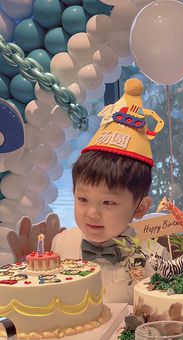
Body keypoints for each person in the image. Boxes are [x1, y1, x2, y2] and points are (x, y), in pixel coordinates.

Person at [52, 78, 165, 304]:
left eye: (108, 203)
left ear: (140, 208)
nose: (92, 213)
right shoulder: (61, 244)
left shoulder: (155, 256)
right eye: (83, 199)